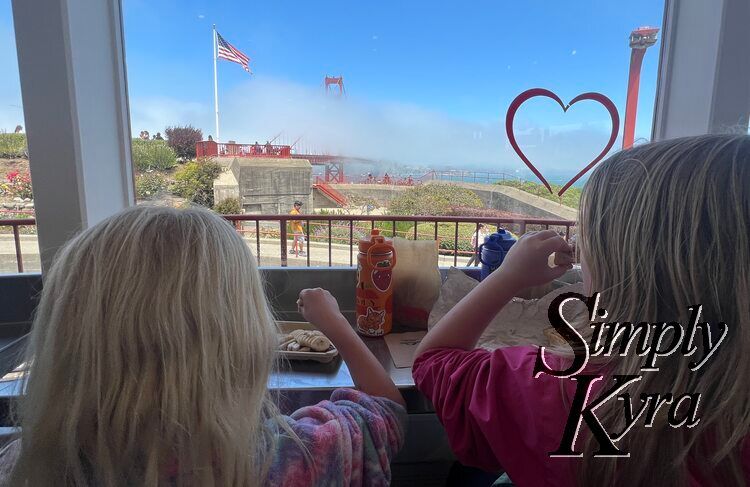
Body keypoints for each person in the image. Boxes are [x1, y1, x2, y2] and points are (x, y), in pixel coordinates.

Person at [412, 135, 750, 486]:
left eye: (587, 244)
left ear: (619, 266)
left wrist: (508, 276)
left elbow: (434, 361)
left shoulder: (562, 391)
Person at [0, 206, 406, 485]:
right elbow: (386, 410)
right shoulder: (292, 461)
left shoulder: (26, 466)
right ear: (240, 338)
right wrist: (334, 322)